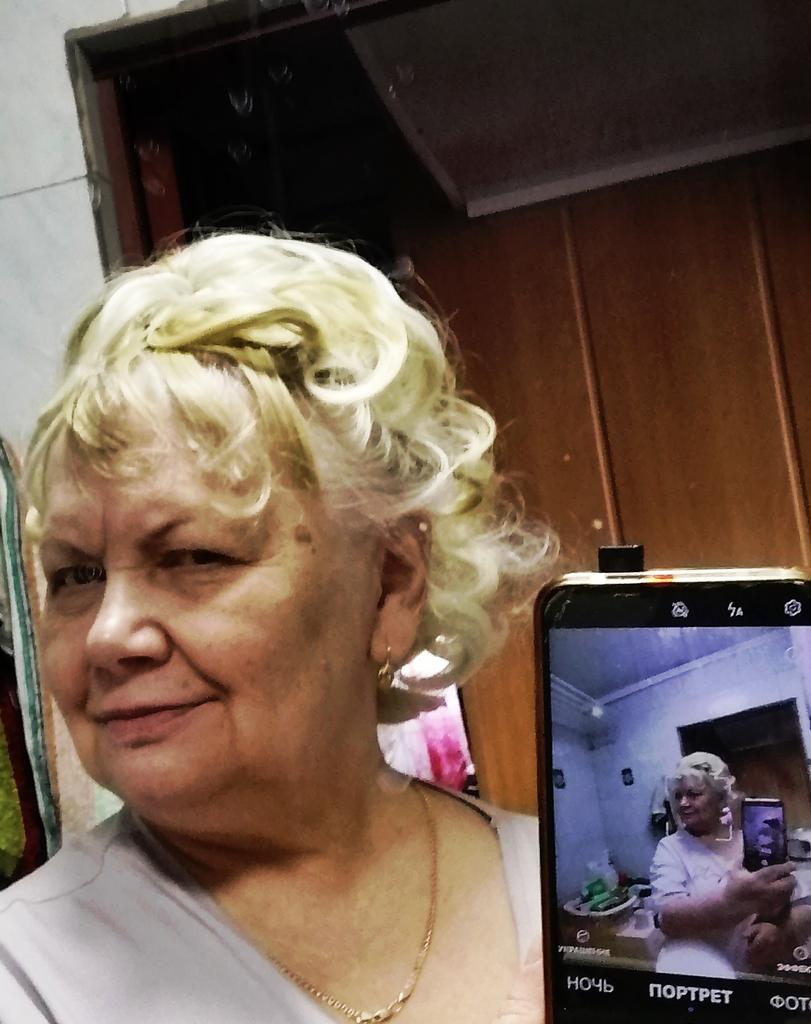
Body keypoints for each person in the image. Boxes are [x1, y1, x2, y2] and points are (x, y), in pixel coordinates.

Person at [0, 233, 554, 1023]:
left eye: (194, 556)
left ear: (390, 586)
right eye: (75, 576)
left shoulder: (581, 904)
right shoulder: (26, 976)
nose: (108, 636)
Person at [650, 751, 810, 977]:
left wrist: (779, 929)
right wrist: (730, 902)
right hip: (702, 974)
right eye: (678, 796)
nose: (683, 803)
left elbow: (796, 903)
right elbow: (668, 918)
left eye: (693, 794)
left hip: (755, 973)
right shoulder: (670, 848)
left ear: (719, 797)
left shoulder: (751, 841)